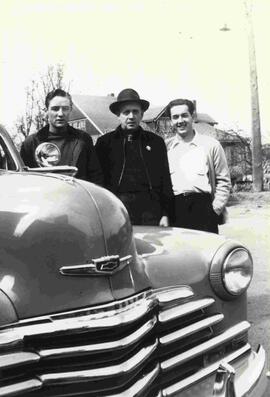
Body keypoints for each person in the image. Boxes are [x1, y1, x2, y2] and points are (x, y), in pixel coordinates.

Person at [95, 88, 174, 226]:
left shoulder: (155, 142)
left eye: (135, 111)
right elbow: (98, 183)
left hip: (150, 213)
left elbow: (165, 181)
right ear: (118, 115)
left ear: (142, 115)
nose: (131, 116)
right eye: (126, 112)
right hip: (117, 211)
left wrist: (165, 214)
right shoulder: (105, 143)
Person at [166, 98, 231, 233]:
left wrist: (215, 210)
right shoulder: (166, 148)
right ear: (171, 120)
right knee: (180, 253)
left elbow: (224, 181)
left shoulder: (211, 145)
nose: (180, 121)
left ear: (193, 116)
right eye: (175, 117)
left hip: (204, 209)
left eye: (184, 115)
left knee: (207, 253)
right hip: (175, 211)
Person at [20, 88, 103, 185]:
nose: (60, 114)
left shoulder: (83, 140)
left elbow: (96, 177)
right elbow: (23, 178)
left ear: (70, 110)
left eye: (65, 109)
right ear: (46, 111)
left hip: (76, 196)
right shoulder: (31, 142)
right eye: (55, 109)